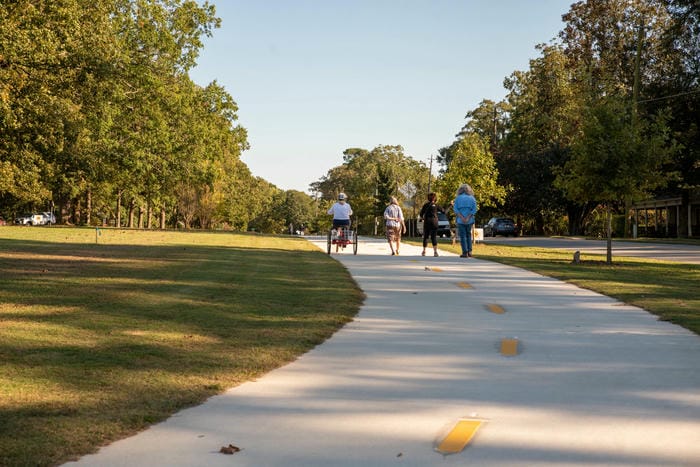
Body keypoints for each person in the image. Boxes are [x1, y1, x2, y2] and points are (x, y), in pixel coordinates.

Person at [453, 184, 478, 258]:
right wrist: (467, 217)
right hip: (469, 220)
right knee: (468, 235)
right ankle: (470, 251)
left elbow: (456, 209)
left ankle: (465, 252)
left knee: (463, 236)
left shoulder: (458, 198)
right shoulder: (472, 198)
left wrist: (462, 217)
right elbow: (474, 209)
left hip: (460, 220)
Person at [419, 192, 445, 257]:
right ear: (435, 198)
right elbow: (444, 212)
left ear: (428, 198)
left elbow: (421, 214)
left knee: (426, 237)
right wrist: (450, 205)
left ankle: (424, 251)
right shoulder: (437, 205)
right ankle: (435, 252)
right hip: (434, 222)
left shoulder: (425, 205)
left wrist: (422, 218)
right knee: (434, 237)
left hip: (427, 222)